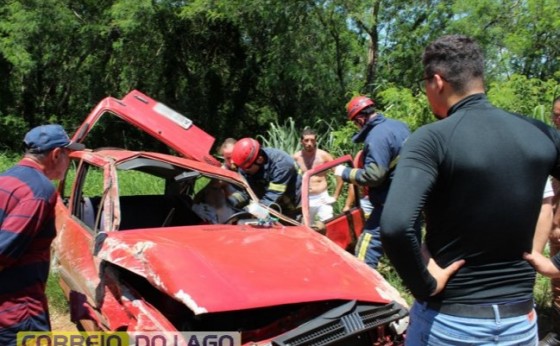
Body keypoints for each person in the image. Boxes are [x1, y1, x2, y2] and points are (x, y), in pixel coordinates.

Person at [380, 35, 560, 345]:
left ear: (437, 81)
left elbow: (396, 226)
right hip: (520, 322)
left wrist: (425, 283)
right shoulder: (540, 133)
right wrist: (555, 264)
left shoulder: (431, 140)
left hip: (450, 322)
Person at [0, 124, 85, 345]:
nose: (69, 162)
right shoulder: (40, 190)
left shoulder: (8, 178)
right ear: (56, 155)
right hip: (19, 312)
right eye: (69, 155)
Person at [333, 95, 410, 269]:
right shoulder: (399, 126)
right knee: (410, 246)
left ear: (360, 118)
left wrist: (345, 172)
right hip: (411, 197)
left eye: (355, 122)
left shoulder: (376, 136)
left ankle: (362, 292)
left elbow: (374, 176)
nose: (356, 126)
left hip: (390, 202)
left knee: (366, 249)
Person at [530, 96, 560, 346]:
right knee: (558, 283)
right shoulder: (553, 144)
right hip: (555, 231)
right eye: (555, 115)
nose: (557, 119)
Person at [228, 138, 301, 218]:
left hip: (295, 209)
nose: (243, 171)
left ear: (259, 160)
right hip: (273, 210)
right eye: (241, 168)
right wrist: (230, 201)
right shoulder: (247, 167)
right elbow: (247, 191)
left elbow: (272, 196)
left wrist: (249, 211)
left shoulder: (282, 164)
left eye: (246, 168)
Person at [293, 128, 342, 222]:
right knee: (306, 227)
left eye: (312, 140)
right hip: (305, 198)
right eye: (306, 140)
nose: (309, 143)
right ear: (301, 142)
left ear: (316, 141)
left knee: (329, 224)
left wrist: (335, 196)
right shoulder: (296, 157)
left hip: (322, 197)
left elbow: (339, 173)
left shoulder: (324, 156)